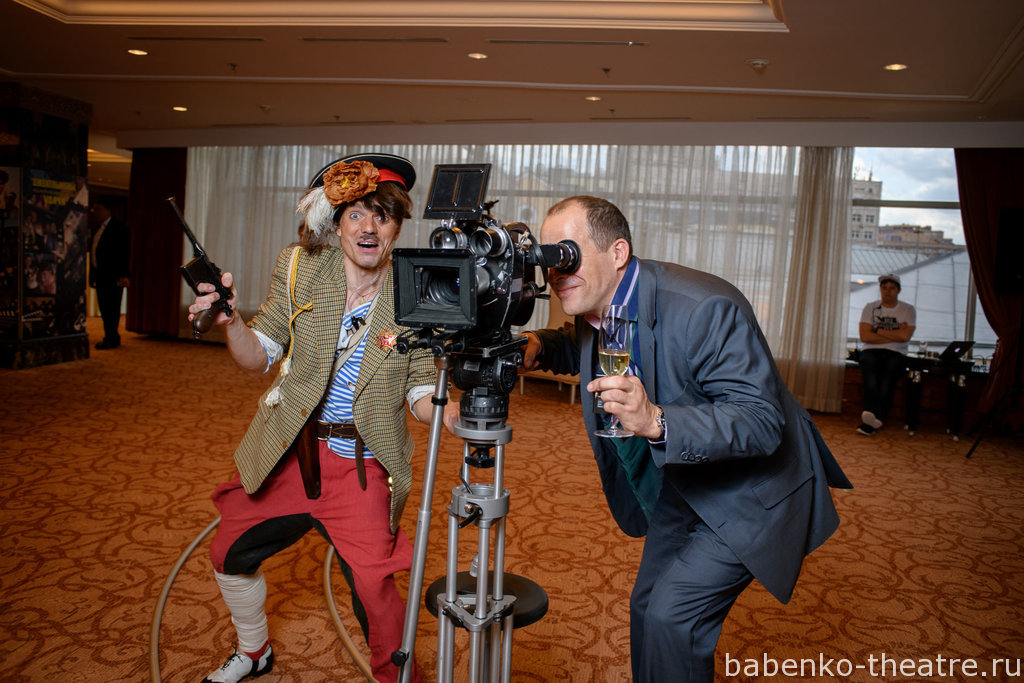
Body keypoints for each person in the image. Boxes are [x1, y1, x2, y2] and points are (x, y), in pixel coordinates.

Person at [521, 196, 852, 683]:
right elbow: (589, 348)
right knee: (646, 606)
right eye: (549, 258)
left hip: (753, 489)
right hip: (685, 479)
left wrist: (656, 420)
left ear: (617, 252)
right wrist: (539, 345)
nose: (555, 271)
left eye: (567, 254)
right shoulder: (599, 301)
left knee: (672, 617)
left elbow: (761, 420)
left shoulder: (705, 308)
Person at [188, 153, 456, 683]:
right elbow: (259, 356)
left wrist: (449, 411)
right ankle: (254, 651)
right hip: (291, 449)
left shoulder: (414, 293)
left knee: (375, 589)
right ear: (336, 224)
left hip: (360, 464)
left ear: (396, 227)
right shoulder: (302, 268)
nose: (368, 227)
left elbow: (421, 391)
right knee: (227, 552)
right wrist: (231, 322)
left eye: (382, 215)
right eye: (355, 214)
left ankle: (398, 679)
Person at [856, 273, 916, 435]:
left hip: (896, 353)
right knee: (870, 375)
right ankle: (873, 418)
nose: (887, 291)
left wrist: (877, 330)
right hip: (870, 351)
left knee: (887, 377)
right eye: (884, 288)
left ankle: (873, 418)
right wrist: (895, 333)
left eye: (891, 288)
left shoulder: (908, 310)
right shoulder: (870, 307)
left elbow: (905, 337)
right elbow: (865, 336)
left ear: (898, 290)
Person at [89, 198, 131, 349]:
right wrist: (92, 276)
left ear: (108, 211)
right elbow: (94, 254)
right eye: (94, 210)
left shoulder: (119, 228)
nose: (96, 213)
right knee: (104, 308)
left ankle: (111, 337)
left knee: (112, 308)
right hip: (100, 276)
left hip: (114, 276)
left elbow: (124, 253)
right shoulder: (96, 229)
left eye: (99, 209)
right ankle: (110, 336)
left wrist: (124, 275)